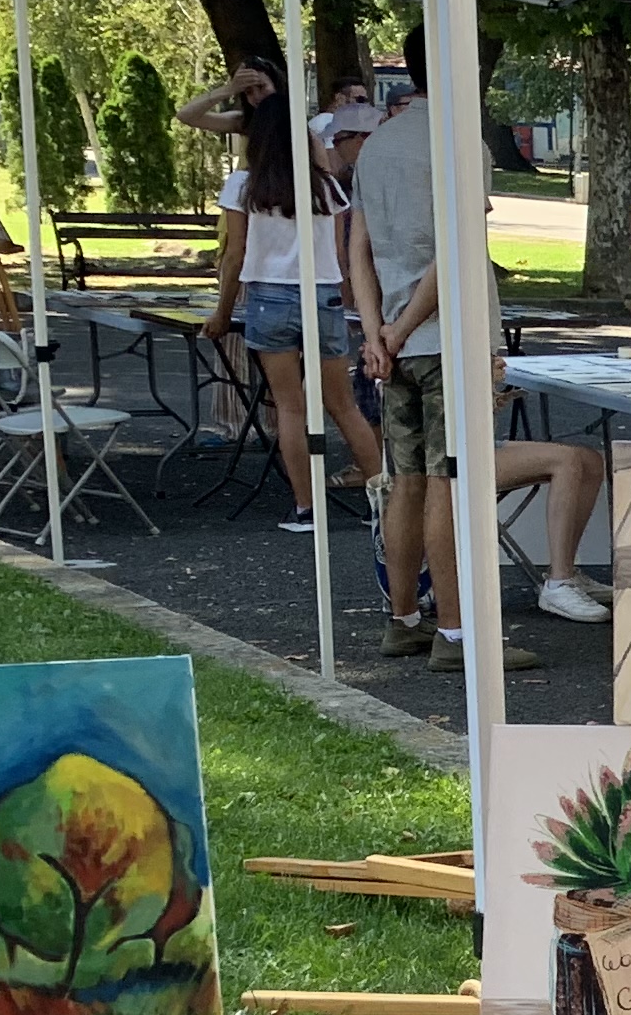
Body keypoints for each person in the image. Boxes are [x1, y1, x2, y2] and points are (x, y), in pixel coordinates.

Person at [342, 93, 607, 671]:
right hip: (445, 341)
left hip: (394, 341)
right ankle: (457, 633)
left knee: (405, 483)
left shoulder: (376, 144)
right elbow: (456, 250)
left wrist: (377, 331)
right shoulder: (461, 142)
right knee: (449, 486)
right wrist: (402, 328)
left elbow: (357, 248)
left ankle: (403, 619)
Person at [216, 91, 381, 536]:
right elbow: (341, 253)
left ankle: (306, 507)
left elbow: (235, 254)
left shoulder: (244, 185)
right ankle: (384, 500)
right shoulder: (325, 186)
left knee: (290, 408)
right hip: (323, 293)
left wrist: (222, 312)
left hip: (269, 296)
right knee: (343, 405)